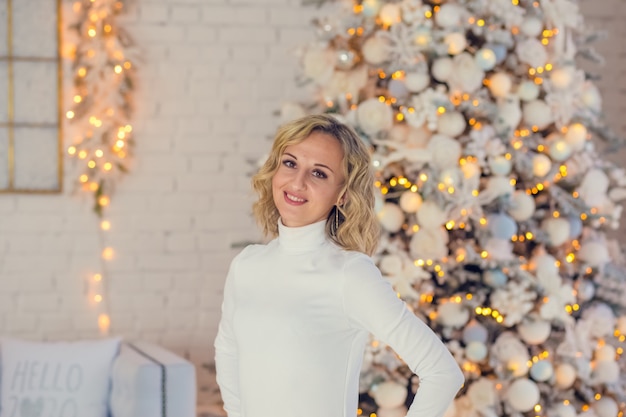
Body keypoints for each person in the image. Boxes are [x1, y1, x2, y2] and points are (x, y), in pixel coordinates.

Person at [214, 114, 464, 417]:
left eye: (319, 174)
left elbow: (442, 372)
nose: (297, 182)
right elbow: (228, 351)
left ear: (342, 195)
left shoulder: (350, 274)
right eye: (290, 163)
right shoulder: (247, 265)